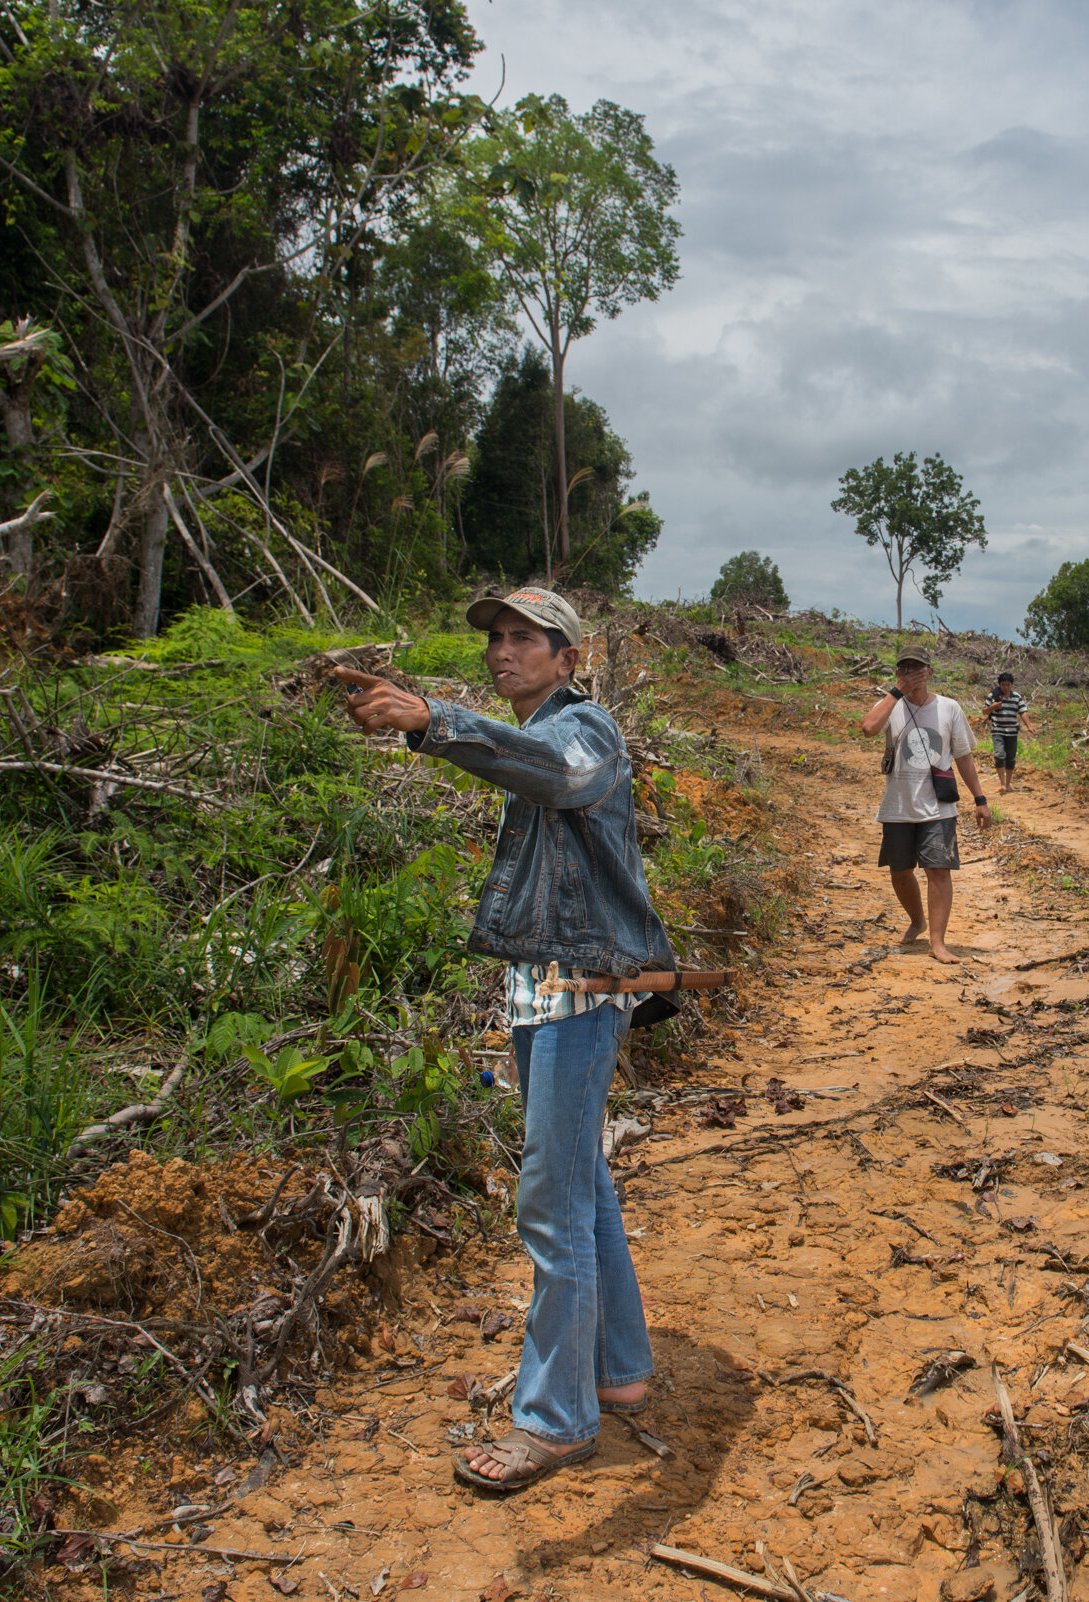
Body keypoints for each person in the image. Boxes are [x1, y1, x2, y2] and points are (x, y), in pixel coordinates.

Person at [333, 588, 667, 1492]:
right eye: (496, 638)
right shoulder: (531, 736)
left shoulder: (586, 728)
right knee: (583, 1187)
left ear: (567, 658)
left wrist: (433, 719)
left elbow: (556, 771)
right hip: (544, 993)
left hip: (578, 993)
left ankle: (556, 1422)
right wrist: (431, 722)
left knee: (550, 1206)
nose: (503, 652)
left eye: (526, 639)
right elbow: (527, 772)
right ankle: (621, 1371)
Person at [858, 649, 993, 964]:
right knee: (900, 872)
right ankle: (917, 921)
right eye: (904, 668)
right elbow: (868, 729)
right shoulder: (891, 705)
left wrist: (980, 798)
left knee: (939, 871)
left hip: (938, 806)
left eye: (917, 668)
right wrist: (897, 692)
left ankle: (937, 941)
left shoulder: (949, 708)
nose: (911, 674)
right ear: (897, 674)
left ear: (929, 672)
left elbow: (963, 756)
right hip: (898, 806)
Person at [983, 671, 1037, 794]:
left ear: (1011, 685)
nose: (1005, 687)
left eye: (1008, 685)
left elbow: (1023, 711)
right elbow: (985, 711)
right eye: (1003, 685)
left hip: (1012, 732)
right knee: (999, 755)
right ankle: (1002, 784)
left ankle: (1008, 784)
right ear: (999, 684)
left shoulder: (1016, 697)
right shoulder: (993, 696)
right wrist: (993, 707)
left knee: (1010, 758)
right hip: (998, 730)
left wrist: (1029, 726)